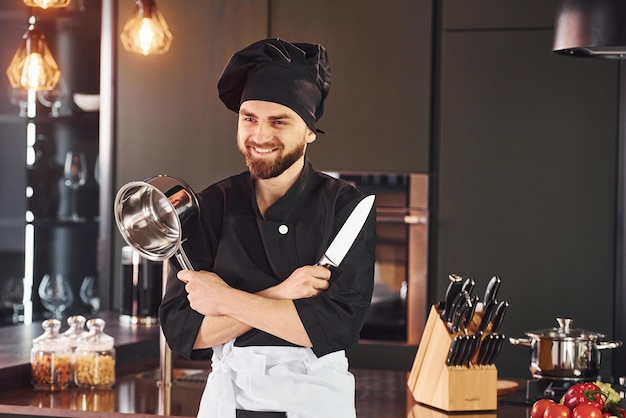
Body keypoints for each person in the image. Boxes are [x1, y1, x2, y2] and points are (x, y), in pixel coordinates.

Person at [158, 38, 376, 418]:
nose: (259, 136)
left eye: (279, 121)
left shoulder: (345, 207)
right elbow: (183, 331)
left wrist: (223, 299)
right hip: (228, 399)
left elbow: (335, 327)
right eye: (249, 119)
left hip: (315, 402)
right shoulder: (208, 206)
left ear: (309, 130)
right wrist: (281, 294)